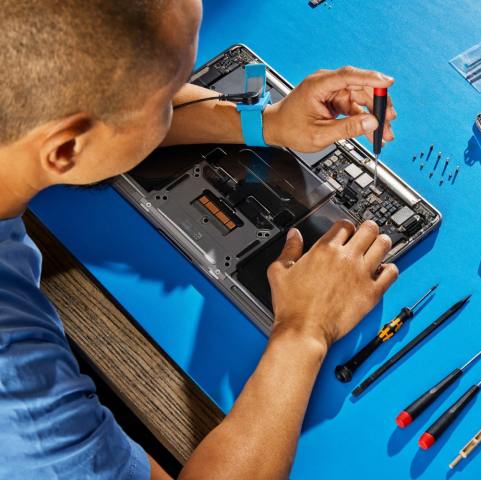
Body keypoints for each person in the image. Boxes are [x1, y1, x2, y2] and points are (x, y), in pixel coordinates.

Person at [0, 1, 400, 478]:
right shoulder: (18, 387)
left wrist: (263, 122)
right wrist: (305, 332)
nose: (184, 97)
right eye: (168, 94)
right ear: (65, 149)